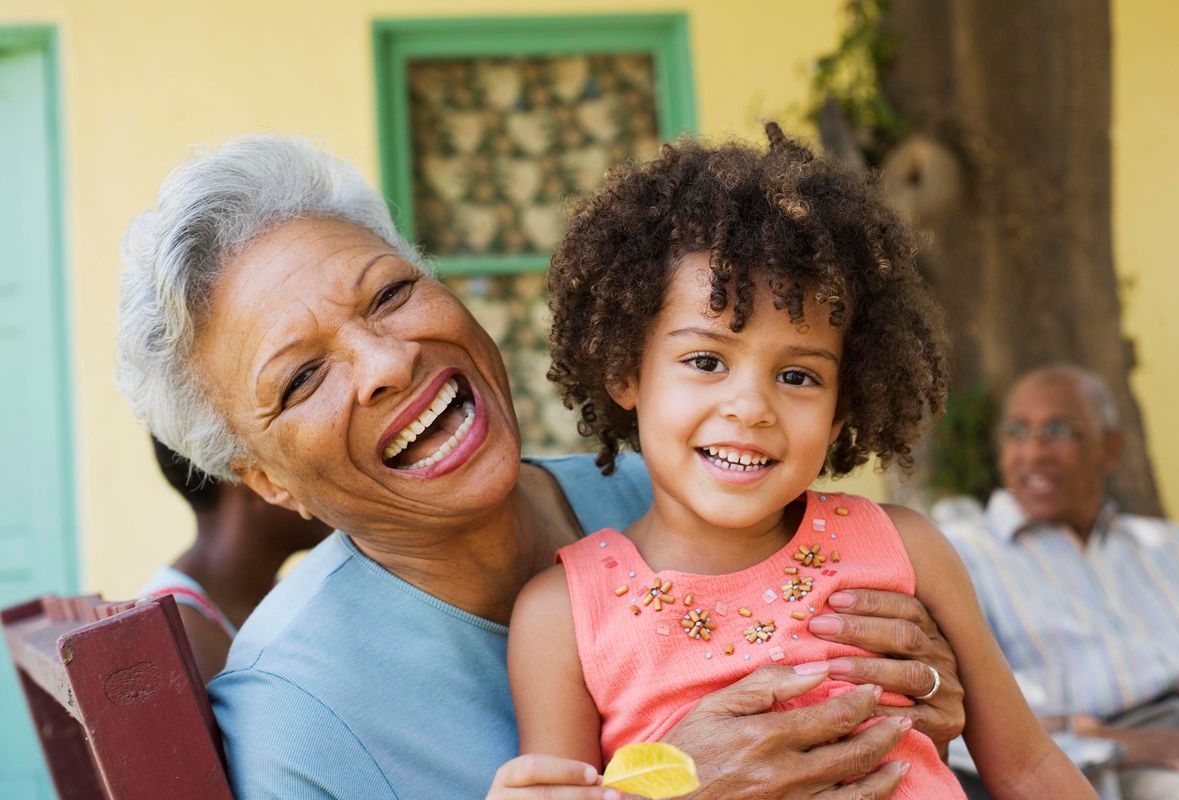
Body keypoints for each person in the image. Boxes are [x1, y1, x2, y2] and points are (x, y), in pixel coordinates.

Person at [116, 133, 967, 800]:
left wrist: (918, 691)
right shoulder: (298, 719)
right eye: (302, 378)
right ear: (265, 479)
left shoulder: (675, 491)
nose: (383, 362)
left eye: (390, 294)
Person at [500, 125, 1095, 799]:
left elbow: (1028, 766)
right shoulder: (563, 616)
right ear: (623, 370)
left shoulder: (907, 550)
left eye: (800, 377)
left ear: (846, 403)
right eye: (705, 361)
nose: (750, 406)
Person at [936, 364, 1179, 800]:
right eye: (1018, 432)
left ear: (1109, 449)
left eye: (1057, 430)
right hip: (1113, 763)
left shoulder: (1170, 547)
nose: (1034, 452)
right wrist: (1113, 743)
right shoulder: (965, 555)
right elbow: (957, 719)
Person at [139, 437, 331, 682]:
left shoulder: (275, 598)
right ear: (254, 480)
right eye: (298, 460)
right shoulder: (180, 636)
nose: (330, 482)